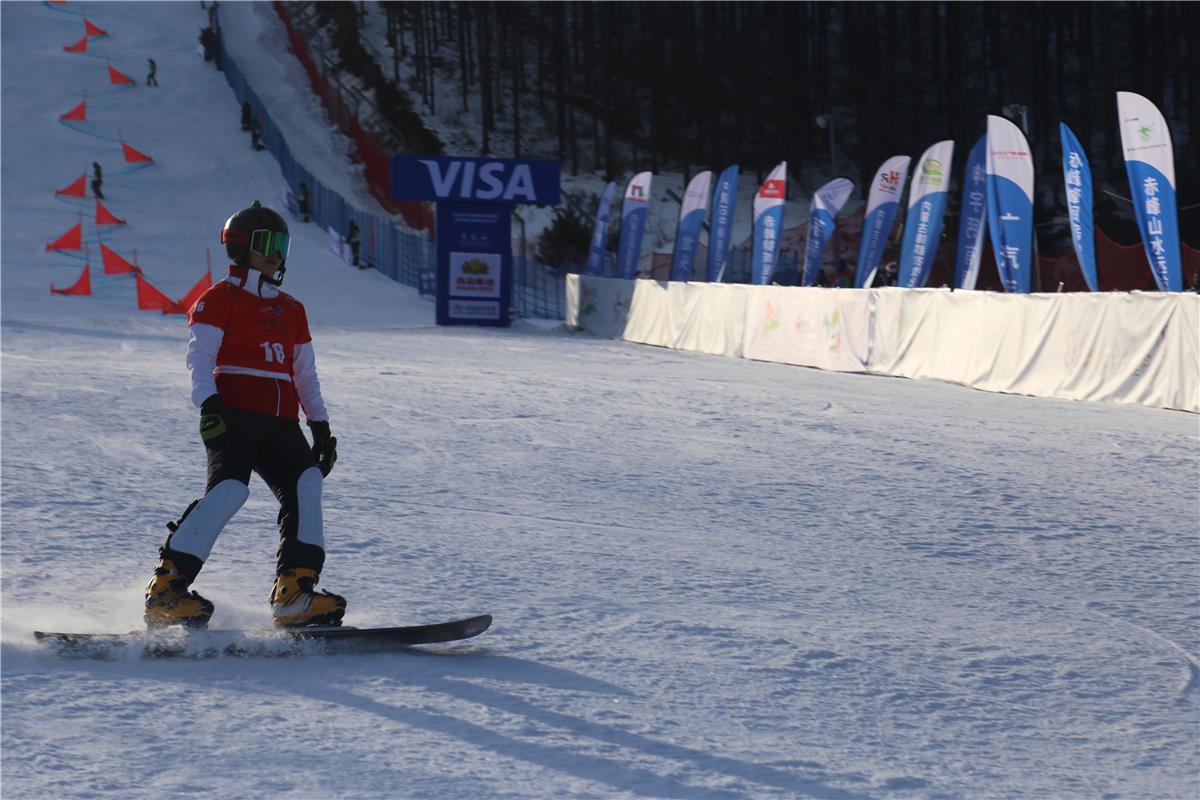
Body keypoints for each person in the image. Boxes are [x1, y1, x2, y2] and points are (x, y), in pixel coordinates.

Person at [143, 201, 345, 629]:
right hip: (232, 415)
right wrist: (209, 405)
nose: (276, 254)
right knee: (231, 490)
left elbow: (304, 374)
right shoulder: (219, 299)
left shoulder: (292, 309)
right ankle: (166, 590)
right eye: (266, 244)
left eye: (282, 245)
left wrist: (320, 427)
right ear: (240, 248)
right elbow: (200, 358)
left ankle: (295, 592)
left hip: (280, 422)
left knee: (306, 482)